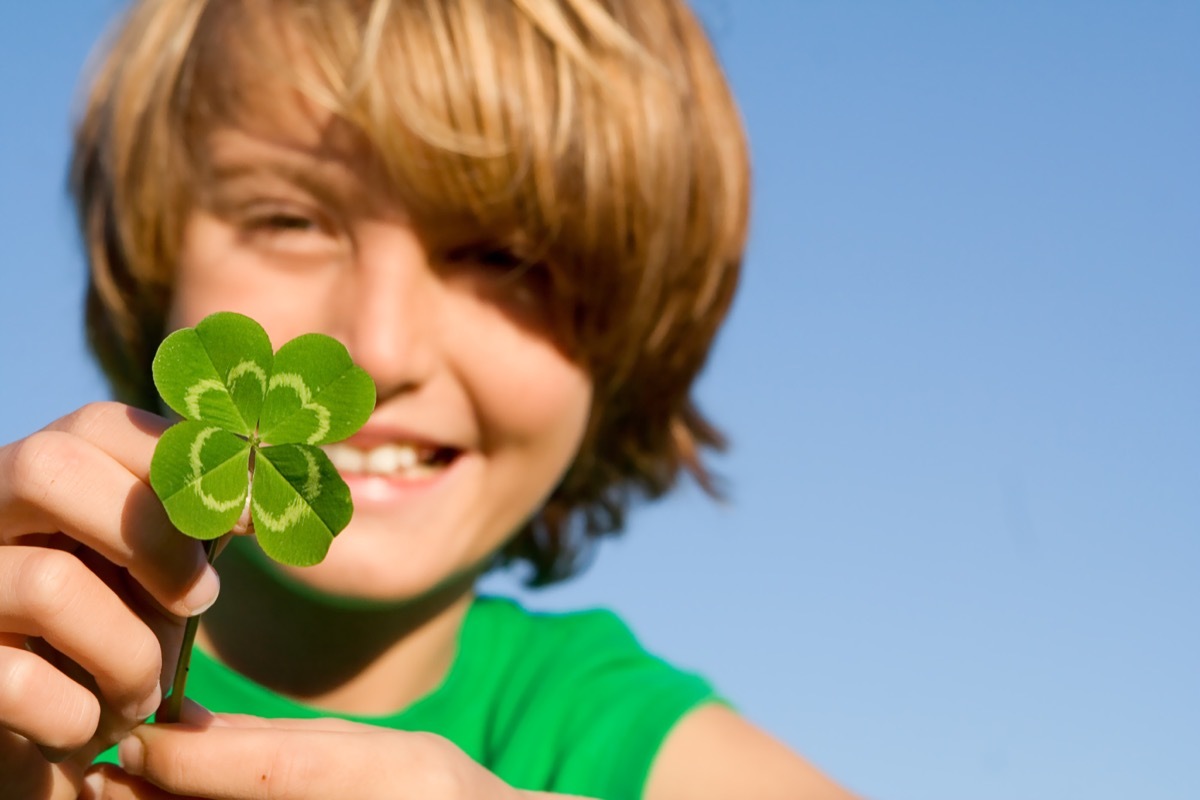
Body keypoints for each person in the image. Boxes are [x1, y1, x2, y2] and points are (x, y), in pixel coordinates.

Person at [0, 1, 857, 798]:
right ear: (155, 268)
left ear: (623, 331)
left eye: (500, 255)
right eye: (290, 220)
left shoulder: (619, 735)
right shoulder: (19, 637)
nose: (380, 349)